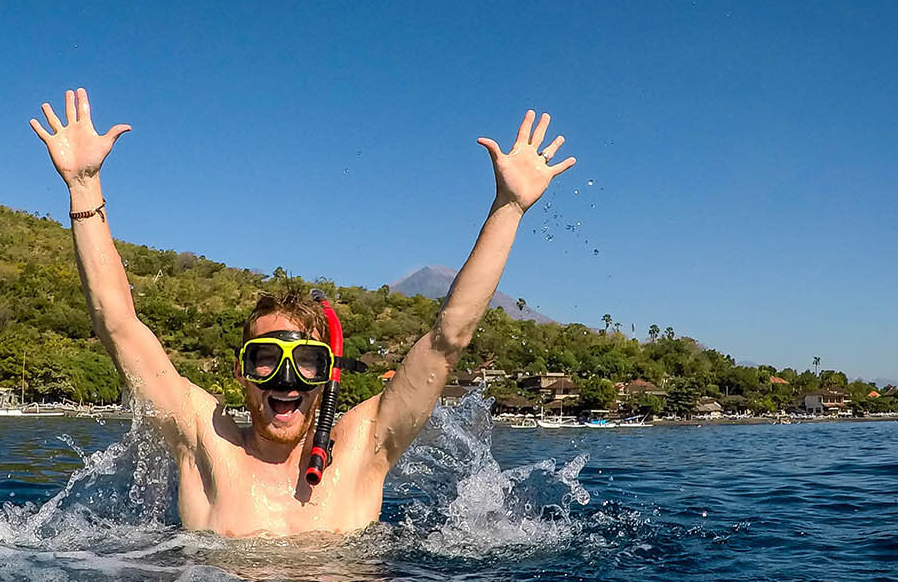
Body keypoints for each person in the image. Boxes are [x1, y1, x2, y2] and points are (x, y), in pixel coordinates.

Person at [30, 87, 575, 537]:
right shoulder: (206, 442)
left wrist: (509, 208)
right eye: (267, 358)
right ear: (242, 370)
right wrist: (83, 186)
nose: (286, 378)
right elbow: (118, 324)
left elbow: (447, 339)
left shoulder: (363, 449)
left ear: (328, 374)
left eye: (307, 361)